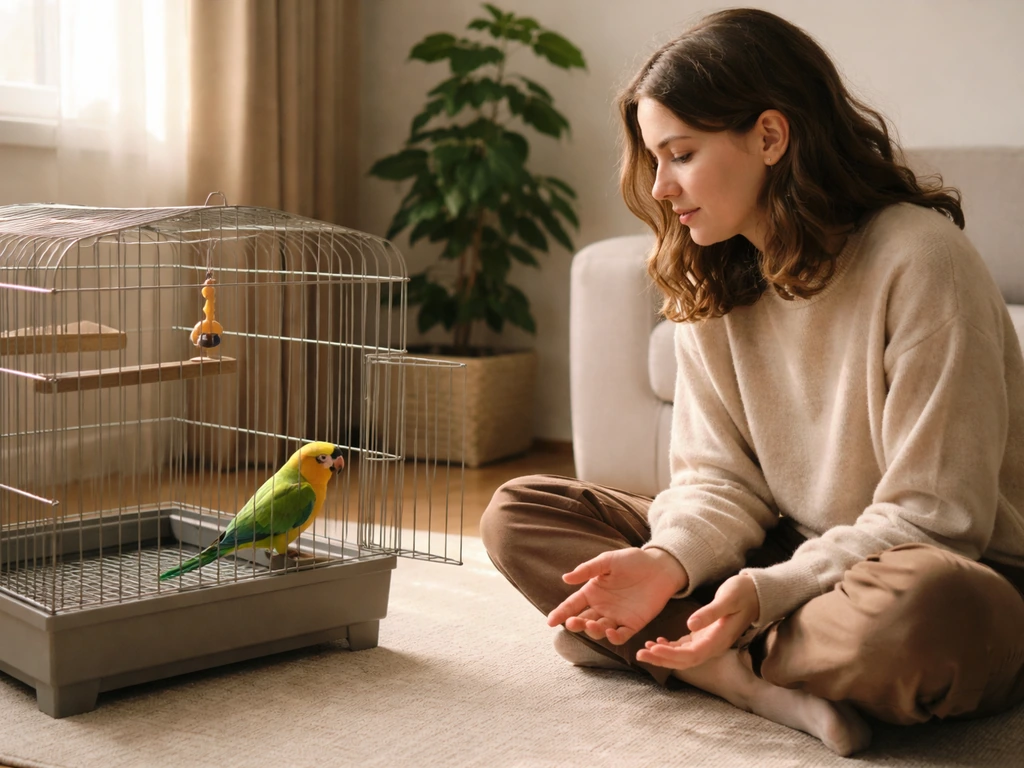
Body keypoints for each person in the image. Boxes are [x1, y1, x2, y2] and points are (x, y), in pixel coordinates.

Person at [480, 7, 1024, 757]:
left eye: (681, 154)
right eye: (653, 159)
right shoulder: (712, 268)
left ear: (770, 136)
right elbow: (716, 480)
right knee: (520, 513)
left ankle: (671, 647)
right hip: (786, 554)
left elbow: (939, 519)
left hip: (938, 572)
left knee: (929, 617)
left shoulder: (921, 260)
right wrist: (667, 563)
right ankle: (742, 677)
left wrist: (762, 594)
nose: (662, 187)